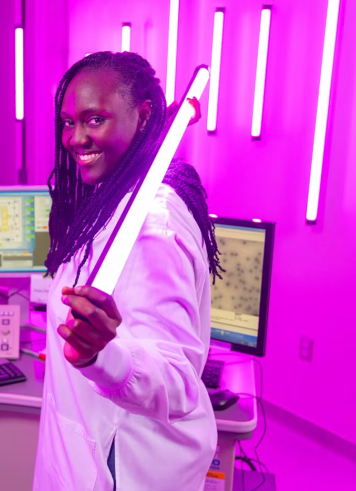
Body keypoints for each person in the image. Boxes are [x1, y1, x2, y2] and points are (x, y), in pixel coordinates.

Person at [32, 51, 223, 491]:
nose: (75, 138)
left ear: (144, 116)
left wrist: (106, 355)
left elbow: (177, 382)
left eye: (94, 120)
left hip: (122, 467)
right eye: (68, 122)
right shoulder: (113, 197)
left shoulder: (151, 225)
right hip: (84, 450)